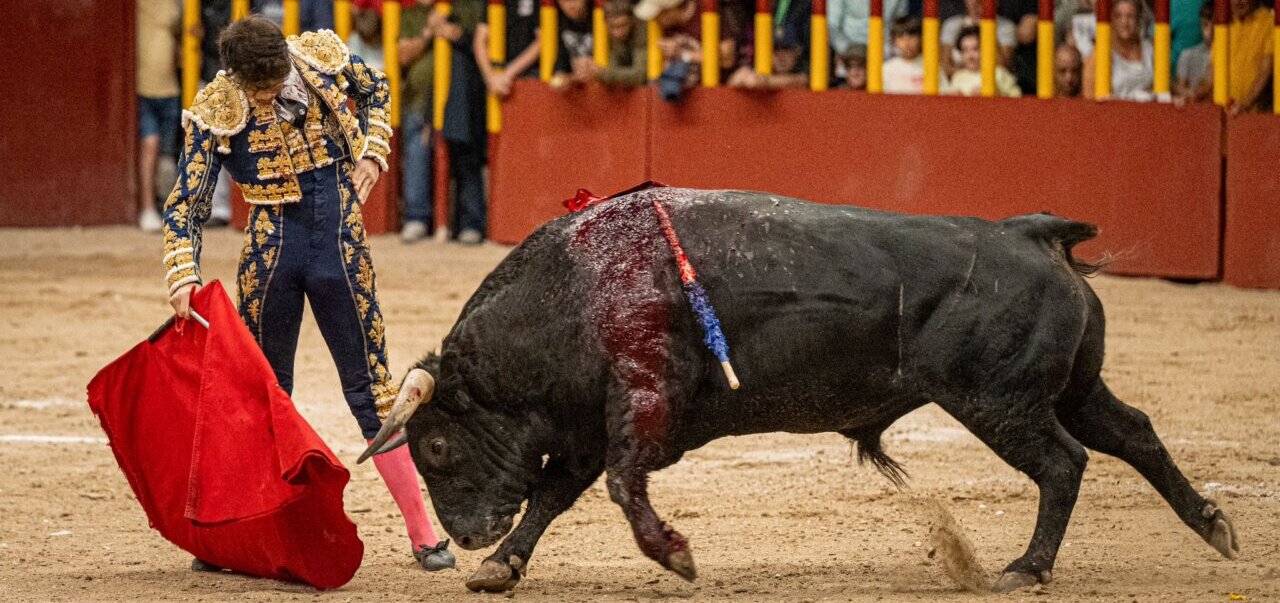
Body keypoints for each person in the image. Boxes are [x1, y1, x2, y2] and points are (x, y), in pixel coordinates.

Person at [161, 16, 455, 572]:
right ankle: (237, 533)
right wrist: (183, 273)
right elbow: (186, 205)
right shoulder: (217, 105)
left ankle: (422, 535)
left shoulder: (318, 56)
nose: (274, 92)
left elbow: (377, 89)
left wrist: (371, 151)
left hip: (340, 242)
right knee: (263, 395)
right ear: (238, 78)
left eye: (279, 79)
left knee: (372, 387)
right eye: (262, 87)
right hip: (269, 252)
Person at [137, 0, 183, 233]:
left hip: (171, 87)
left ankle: (167, 207)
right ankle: (147, 207)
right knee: (151, 147)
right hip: (145, 87)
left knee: (168, 154)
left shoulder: (178, 6)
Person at [1083, 0, 1153, 100]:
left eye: (1130, 16)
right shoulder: (1098, 55)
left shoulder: (1150, 49)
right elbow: (1088, 99)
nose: (1124, 22)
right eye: (1118, 16)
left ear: (1138, 19)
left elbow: (1167, 91)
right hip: (1113, 113)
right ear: (1111, 19)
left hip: (1150, 112)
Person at [474, 0, 543, 100]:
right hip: (497, 77)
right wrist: (489, 77)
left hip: (531, 75)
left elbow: (542, 41)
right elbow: (480, 39)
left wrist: (507, 74)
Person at [940, 0, 1016, 75]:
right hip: (959, 82)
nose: (976, 2)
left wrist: (986, 28)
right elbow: (945, 66)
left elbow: (1003, 66)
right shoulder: (951, 25)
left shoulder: (1005, 27)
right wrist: (966, 77)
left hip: (994, 81)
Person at [1226, 0, 1275, 114]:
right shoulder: (1226, 26)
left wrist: (1244, 104)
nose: (1238, 2)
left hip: (1256, 114)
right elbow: (1212, 71)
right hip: (1227, 111)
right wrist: (1191, 96)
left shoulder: (1269, 21)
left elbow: (1265, 71)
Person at [945, 25, 1022, 95]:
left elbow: (1017, 100)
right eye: (965, 50)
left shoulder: (999, 73)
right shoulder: (958, 76)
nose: (970, 56)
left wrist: (996, 94)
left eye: (975, 49)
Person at [593, 0, 650, 87]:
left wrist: (603, 74)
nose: (618, 32)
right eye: (612, 26)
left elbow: (640, 75)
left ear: (632, 21)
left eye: (623, 25)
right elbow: (612, 67)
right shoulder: (603, 34)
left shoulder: (641, 31)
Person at [828, 0, 908, 59]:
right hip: (850, 55)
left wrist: (892, 52)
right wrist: (848, 51)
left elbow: (900, 24)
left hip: (885, 54)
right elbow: (832, 26)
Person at [883, 16, 943, 93]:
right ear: (894, 41)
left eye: (912, 36)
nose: (907, 42)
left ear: (921, 38)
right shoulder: (886, 69)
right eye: (900, 37)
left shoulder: (932, 67)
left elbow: (943, 95)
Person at [550, 0, 596, 87]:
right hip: (576, 91)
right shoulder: (554, 20)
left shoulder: (600, 16)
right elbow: (560, 66)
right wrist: (570, 78)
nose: (571, 4)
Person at [1174, 3, 1213, 103]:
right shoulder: (1187, 56)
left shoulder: (1231, 55)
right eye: (1205, 25)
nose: (1211, 31)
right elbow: (1180, 91)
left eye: (1215, 25)